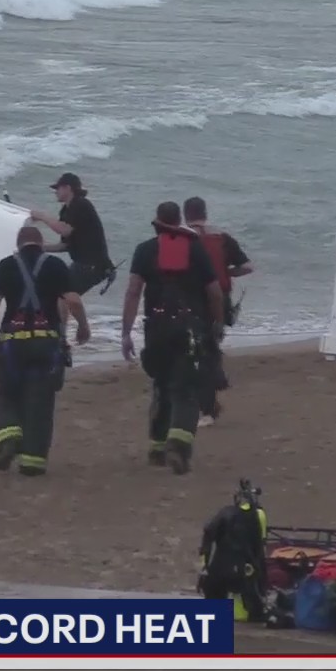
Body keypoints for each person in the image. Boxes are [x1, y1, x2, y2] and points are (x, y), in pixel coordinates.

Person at [0, 223, 91, 476]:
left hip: (12, 344)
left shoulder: (5, 266)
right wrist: (83, 327)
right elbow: (72, 301)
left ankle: (8, 438)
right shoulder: (55, 265)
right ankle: (32, 463)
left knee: (8, 393)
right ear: (41, 243)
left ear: (18, 245)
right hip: (46, 343)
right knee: (41, 401)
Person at [119, 202, 224, 475]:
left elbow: (133, 292)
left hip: (157, 329)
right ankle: (178, 445)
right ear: (179, 222)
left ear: (157, 221)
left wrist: (126, 333)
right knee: (186, 389)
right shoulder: (196, 249)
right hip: (189, 329)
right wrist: (217, 323)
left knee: (162, 386)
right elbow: (214, 292)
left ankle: (157, 449)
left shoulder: (144, 250)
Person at [184, 197, 253, 427]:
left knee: (198, 354)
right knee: (209, 347)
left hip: (194, 301)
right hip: (221, 301)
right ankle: (215, 383)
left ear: (186, 215)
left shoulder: (183, 239)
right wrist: (225, 271)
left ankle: (208, 408)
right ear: (205, 213)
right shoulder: (222, 238)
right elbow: (247, 267)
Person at [28, 173, 114, 295]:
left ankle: (70, 307)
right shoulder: (65, 211)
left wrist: (42, 217)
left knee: (63, 295)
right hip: (82, 264)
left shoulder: (81, 204)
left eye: (58, 188)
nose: (55, 192)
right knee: (60, 293)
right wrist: (39, 247)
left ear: (67, 188)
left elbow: (64, 230)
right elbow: (64, 245)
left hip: (93, 265)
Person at [197, 480, 269, 623]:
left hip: (220, 569)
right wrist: (262, 579)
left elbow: (208, 535)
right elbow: (260, 548)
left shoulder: (225, 513)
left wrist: (204, 565)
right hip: (244, 572)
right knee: (250, 613)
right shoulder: (259, 515)